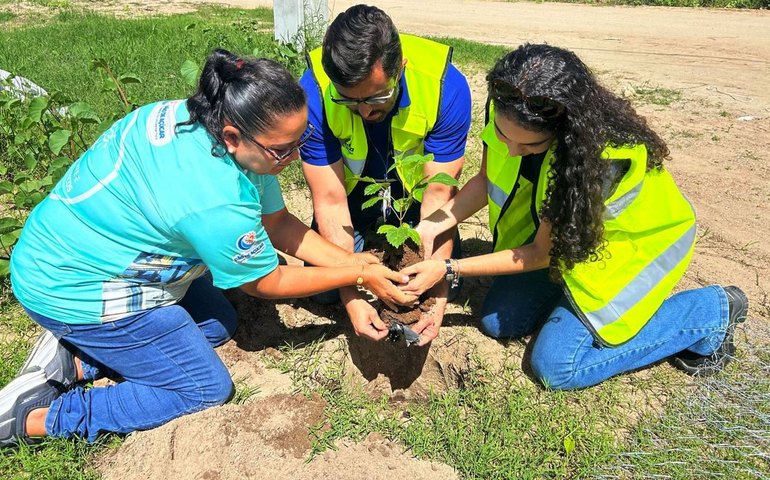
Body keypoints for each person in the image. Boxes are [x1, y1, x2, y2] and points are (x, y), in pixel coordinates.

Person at [0, 48, 415, 448]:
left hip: (77, 249)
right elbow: (265, 281)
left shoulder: (215, 123)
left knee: (217, 320)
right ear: (234, 137)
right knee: (203, 386)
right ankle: (37, 418)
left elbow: (278, 224)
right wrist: (358, 275)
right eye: (282, 150)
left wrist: (352, 261)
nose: (293, 157)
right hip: (75, 285)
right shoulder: (214, 197)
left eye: (299, 140)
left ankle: (76, 358)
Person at [400, 44, 748, 389]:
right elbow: (484, 180)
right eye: (504, 136)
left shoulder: (599, 161)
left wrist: (449, 268)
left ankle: (709, 311)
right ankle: (566, 307)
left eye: (528, 147)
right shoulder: (509, 107)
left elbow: (540, 254)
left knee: (557, 367)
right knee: (497, 321)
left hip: (627, 252)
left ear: (565, 132)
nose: (510, 149)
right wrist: (433, 223)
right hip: (568, 243)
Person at [298, 4, 472, 343]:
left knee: (447, 283)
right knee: (325, 292)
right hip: (353, 202)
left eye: (378, 97)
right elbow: (331, 202)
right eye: (349, 101)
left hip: (416, 207)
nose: (365, 111)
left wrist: (436, 291)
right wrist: (351, 293)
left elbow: (438, 196)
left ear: (400, 68)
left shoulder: (444, 88)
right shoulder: (315, 93)